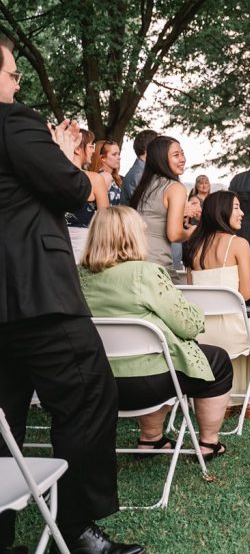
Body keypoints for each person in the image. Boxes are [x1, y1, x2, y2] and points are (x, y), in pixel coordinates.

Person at [0, 36, 143, 554]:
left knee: (5, 419)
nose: (17, 84)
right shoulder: (13, 121)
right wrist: (63, 156)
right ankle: (77, 529)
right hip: (36, 295)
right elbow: (76, 189)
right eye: (13, 74)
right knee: (87, 395)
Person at [79, 207, 233, 461]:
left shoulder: (77, 274)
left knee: (150, 357)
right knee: (217, 361)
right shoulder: (145, 273)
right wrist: (193, 309)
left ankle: (151, 439)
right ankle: (208, 443)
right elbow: (188, 325)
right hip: (147, 384)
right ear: (132, 237)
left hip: (94, 379)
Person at [184, 191, 250, 416]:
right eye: (236, 207)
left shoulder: (192, 245)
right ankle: (249, 399)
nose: (242, 212)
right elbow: (245, 293)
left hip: (199, 336)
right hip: (231, 334)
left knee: (246, 331)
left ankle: (236, 399)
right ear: (221, 211)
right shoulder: (238, 244)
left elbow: (190, 294)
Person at [129, 136, 201, 276]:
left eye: (182, 153)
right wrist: (193, 231)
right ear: (161, 159)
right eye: (176, 155)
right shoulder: (175, 188)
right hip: (157, 266)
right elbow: (174, 235)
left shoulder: (144, 186)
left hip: (133, 264)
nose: (182, 159)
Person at [66, 129, 110, 261]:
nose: (93, 151)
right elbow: (104, 220)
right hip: (84, 246)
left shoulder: (51, 177)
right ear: (78, 149)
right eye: (91, 146)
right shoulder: (95, 179)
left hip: (58, 242)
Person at [120, 128, 158, 202]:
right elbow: (147, 207)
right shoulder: (139, 174)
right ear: (148, 148)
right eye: (158, 146)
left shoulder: (142, 171)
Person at [90, 139, 123, 206]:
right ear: (102, 158)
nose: (119, 157)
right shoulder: (105, 176)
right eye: (114, 154)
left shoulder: (109, 175)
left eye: (118, 154)